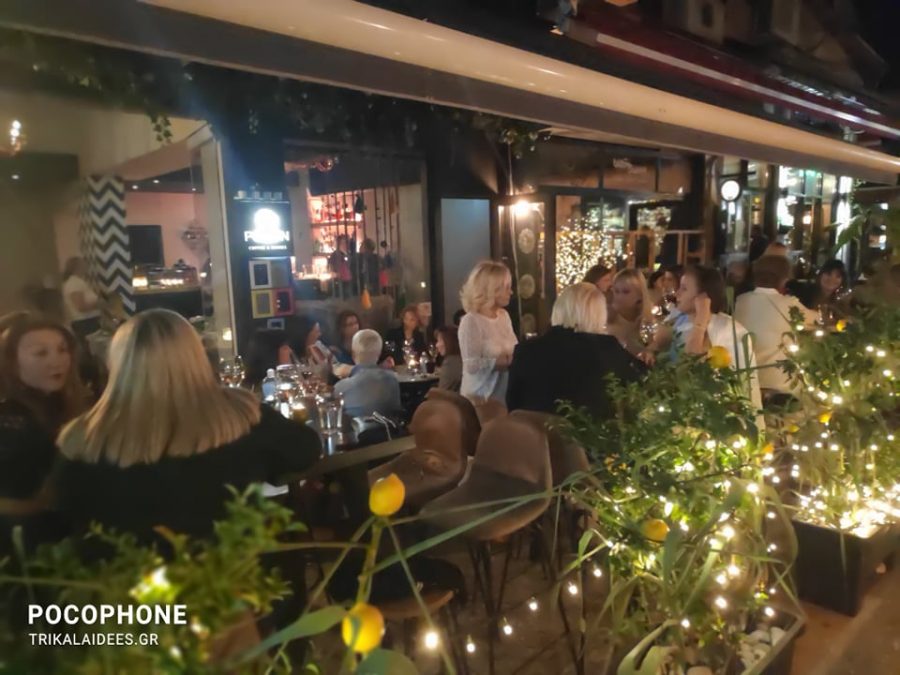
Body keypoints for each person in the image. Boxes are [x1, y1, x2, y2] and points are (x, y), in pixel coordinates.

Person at [52, 309, 321, 544]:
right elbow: (306, 449)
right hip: (229, 575)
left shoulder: (81, 438)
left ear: (116, 362)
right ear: (197, 355)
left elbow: (64, 516)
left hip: (122, 581)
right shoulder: (242, 415)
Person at [0, 315, 87, 552]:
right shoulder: (10, 421)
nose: (56, 361)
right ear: (11, 362)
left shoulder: (58, 404)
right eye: (41, 353)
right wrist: (38, 502)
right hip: (21, 548)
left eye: (62, 350)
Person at [507, 283, 644, 419]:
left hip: (532, 430)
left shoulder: (525, 349)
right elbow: (642, 382)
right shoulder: (606, 347)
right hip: (588, 431)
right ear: (598, 315)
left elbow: (512, 404)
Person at [646, 266, 761, 409]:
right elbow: (659, 343)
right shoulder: (680, 319)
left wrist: (701, 321)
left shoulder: (724, 329)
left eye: (684, 289)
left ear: (703, 297)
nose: (677, 293)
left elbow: (692, 368)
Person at [734, 256, 816, 398]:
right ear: (784, 279)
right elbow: (816, 321)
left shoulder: (741, 300)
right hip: (780, 383)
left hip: (745, 381)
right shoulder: (790, 304)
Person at [458, 261, 518, 402]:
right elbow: (471, 365)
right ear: (492, 290)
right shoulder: (471, 321)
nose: (511, 292)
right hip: (479, 398)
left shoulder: (504, 316)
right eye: (506, 287)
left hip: (503, 394)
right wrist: (500, 362)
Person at [334, 330, 401, 419]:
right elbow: (396, 412)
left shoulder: (341, 387)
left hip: (354, 428)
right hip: (387, 427)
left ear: (353, 354)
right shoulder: (392, 380)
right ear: (379, 354)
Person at [607, 269, 654, 356]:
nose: (619, 297)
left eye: (625, 292)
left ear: (640, 294)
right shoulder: (607, 319)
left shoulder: (647, 323)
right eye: (616, 291)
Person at [61, 257, 101, 339]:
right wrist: (100, 303)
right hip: (86, 323)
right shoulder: (74, 283)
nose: (86, 268)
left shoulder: (76, 282)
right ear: (77, 267)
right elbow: (80, 306)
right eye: (83, 265)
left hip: (86, 321)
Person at [434, 326, 462, 393]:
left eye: (439, 341)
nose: (436, 345)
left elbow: (442, 392)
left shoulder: (450, 362)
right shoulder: (461, 358)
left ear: (449, 341)